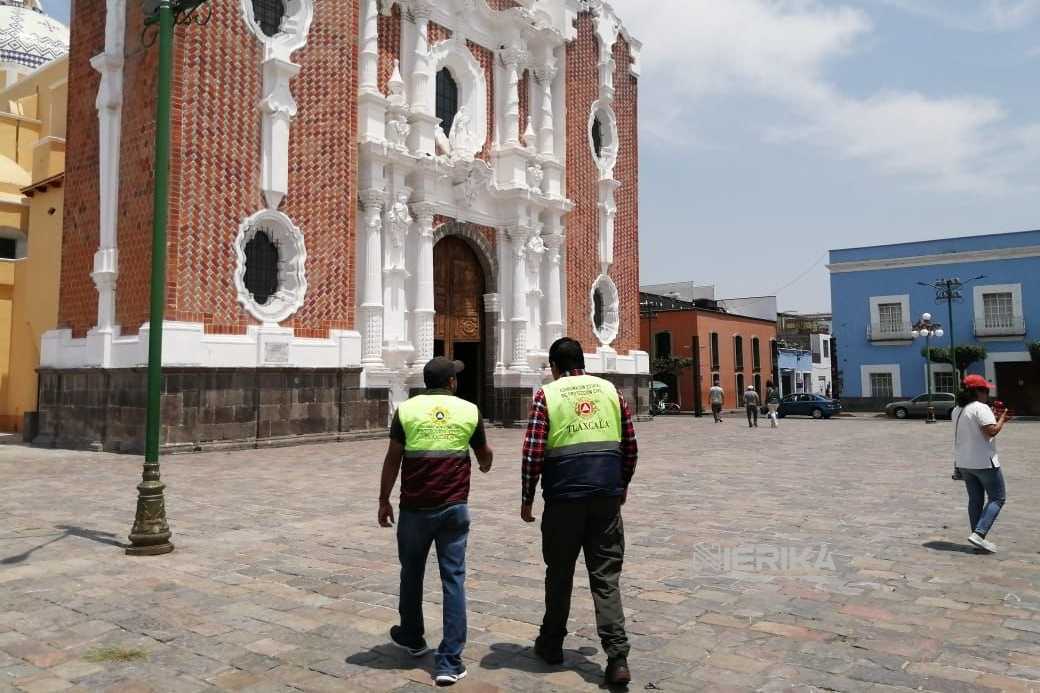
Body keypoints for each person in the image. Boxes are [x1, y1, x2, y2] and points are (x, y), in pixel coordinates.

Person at [520, 337, 637, 686]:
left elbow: (533, 453)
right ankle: (617, 658)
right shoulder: (610, 391)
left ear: (554, 367)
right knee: (605, 578)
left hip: (563, 499)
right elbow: (630, 445)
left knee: (559, 574)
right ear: (582, 362)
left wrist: (527, 498)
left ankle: (552, 643)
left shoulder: (547, 395)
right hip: (605, 498)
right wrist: (622, 485)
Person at [378, 357, 494, 686]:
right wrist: (485, 463)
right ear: (451, 382)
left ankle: (412, 635)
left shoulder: (406, 410)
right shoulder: (469, 411)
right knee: (453, 579)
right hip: (454, 509)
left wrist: (384, 499)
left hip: (414, 509)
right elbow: (484, 455)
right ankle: (449, 661)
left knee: (411, 574)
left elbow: (393, 459)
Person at [951, 374, 1009, 554]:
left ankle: (976, 536)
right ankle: (979, 533)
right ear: (976, 391)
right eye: (985, 391)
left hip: (964, 463)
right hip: (984, 462)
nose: (987, 394)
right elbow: (991, 431)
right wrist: (1002, 418)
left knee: (975, 500)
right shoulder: (980, 407)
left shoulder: (957, 409)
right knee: (997, 498)